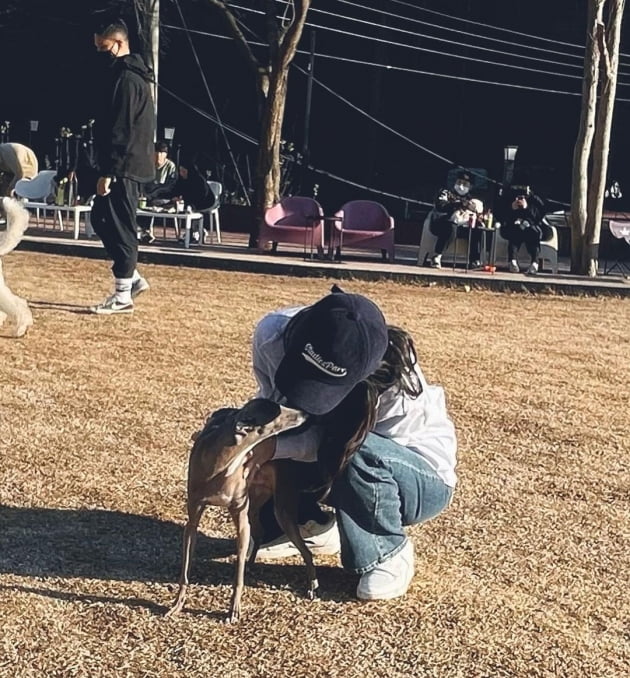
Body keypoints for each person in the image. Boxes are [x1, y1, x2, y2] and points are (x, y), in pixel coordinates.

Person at [247, 286, 457, 600]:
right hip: (341, 460)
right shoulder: (271, 335)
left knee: (357, 454)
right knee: (255, 430)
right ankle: (307, 524)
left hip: (415, 479)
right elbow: (274, 406)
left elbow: (346, 448)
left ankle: (387, 551)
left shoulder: (396, 382)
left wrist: (274, 448)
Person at [89, 17, 156, 314]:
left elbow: (122, 129)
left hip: (124, 166)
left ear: (118, 43)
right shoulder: (126, 76)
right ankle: (133, 278)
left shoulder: (128, 80)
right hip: (124, 163)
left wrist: (108, 171)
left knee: (120, 226)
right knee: (100, 218)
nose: (100, 53)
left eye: (104, 47)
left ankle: (122, 295)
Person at [428, 170, 484, 269]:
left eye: (465, 184)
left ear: (470, 187)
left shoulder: (471, 199)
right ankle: (436, 257)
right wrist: (459, 204)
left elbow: (477, 211)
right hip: (441, 223)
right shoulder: (446, 192)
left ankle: (475, 260)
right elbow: (441, 206)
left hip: (462, 226)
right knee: (450, 227)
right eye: (459, 182)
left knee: (477, 228)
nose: (461, 185)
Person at [498, 185, 551, 275]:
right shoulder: (509, 198)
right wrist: (511, 208)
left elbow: (538, 216)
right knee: (514, 234)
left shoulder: (534, 200)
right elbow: (502, 215)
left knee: (533, 235)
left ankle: (534, 263)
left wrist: (526, 208)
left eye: (523, 196)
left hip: (530, 228)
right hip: (514, 228)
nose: (520, 198)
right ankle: (512, 261)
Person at [138, 141, 178, 243]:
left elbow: (170, 186)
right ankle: (143, 231)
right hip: (148, 195)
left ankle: (146, 230)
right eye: (155, 156)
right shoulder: (147, 165)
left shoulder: (171, 166)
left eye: (160, 156)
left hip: (164, 197)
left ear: (165, 155)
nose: (157, 159)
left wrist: (156, 193)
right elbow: (142, 183)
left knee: (154, 202)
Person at [170, 157, 215, 244]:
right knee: (186, 210)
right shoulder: (182, 179)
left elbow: (202, 194)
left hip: (205, 202)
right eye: (180, 171)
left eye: (183, 171)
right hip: (190, 202)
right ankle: (193, 233)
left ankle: (194, 232)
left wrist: (190, 203)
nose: (181, 173)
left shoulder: (198, 179)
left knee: (191, 212)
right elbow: (177, 190)